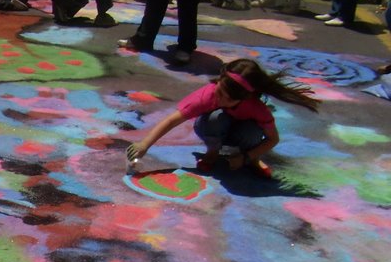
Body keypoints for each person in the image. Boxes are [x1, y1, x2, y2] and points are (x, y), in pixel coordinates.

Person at [126, 58, 320, 179]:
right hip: (218, 130)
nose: (219, 98)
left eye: (227, 98)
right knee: (213, 118)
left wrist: (246, 156)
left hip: (241, 135)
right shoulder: (208, 94)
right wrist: (145, 144)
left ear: (245, 98)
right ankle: (212, 153)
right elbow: (173, 120)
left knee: (252, 131)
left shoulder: (256, 108)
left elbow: (273, 139)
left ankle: (251, 159)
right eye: (220, 91)